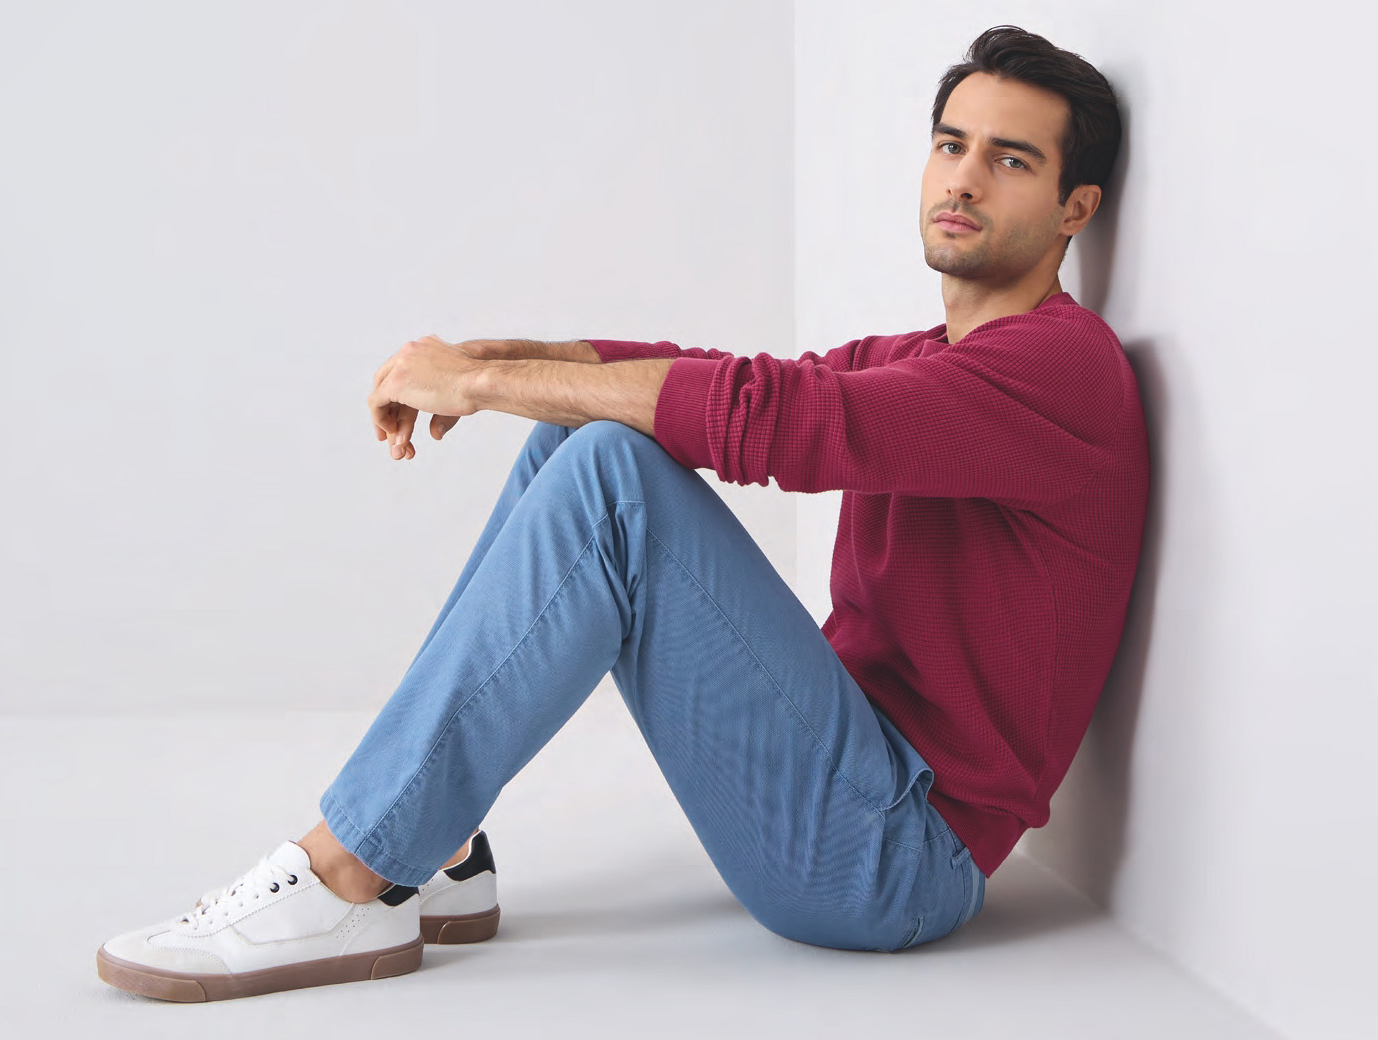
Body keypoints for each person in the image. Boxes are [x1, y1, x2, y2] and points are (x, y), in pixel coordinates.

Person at [97, 24, 1147, 1002]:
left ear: (1075, 208)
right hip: (848, 766)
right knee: (577, 438)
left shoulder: (1059, 367)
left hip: (895, 858)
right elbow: (730, 374)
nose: (962, 177)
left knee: (611, 468)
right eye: (950, 144)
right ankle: (439, 848)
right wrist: (496, 360)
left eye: (1010, 160)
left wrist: (483, 387)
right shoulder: (927, 357)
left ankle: (349, 871)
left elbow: (783, 422)